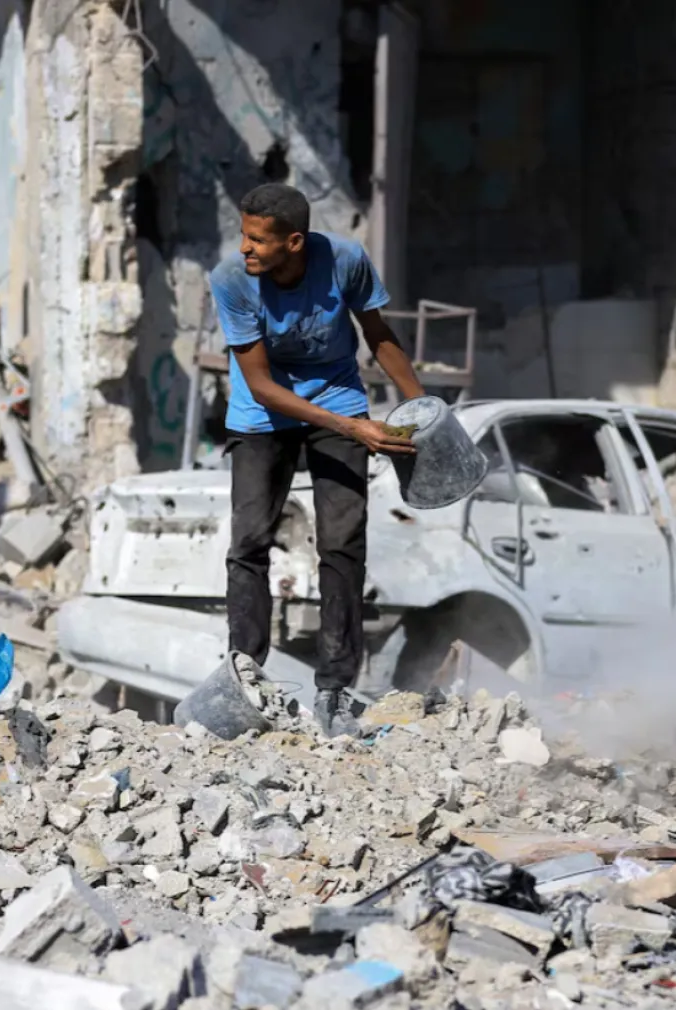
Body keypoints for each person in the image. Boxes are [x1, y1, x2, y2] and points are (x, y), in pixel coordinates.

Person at [210, 183, 424, 737]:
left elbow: (378, 335)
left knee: (343, 543)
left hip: (337, 396)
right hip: (264, 413)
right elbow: (260, 385)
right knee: (249, 543)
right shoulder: (232, 281)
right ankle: (245, 677)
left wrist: (421, 409)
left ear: (295, 242)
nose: (245, 248)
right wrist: (356, 427)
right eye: (243, 235)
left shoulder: (345, 261)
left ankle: (334, 689)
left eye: (257, 239)